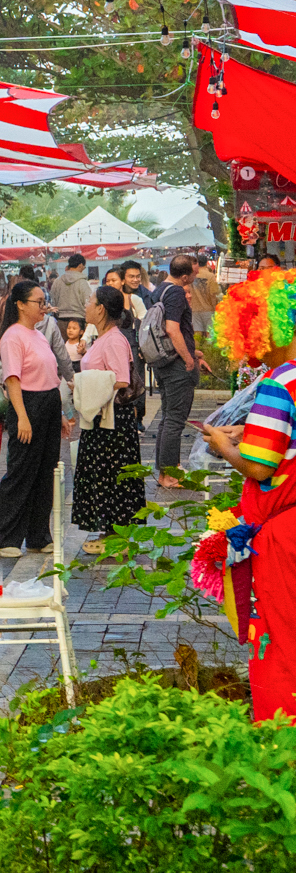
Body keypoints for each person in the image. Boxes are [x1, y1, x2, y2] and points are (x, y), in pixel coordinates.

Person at [196, 267, 296, 722]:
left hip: (283, 538)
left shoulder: (278, 384)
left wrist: (223, 445)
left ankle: (280, 746)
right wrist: (249, 433)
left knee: (279, 643)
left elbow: (260, 465)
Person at [71, 286, 145, 557]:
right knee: (102, 476)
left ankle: (116, 533)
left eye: (90, 302)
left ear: (101, 308)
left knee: (111, 475)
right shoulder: (102, 337)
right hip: (101, 418)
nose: (87, 306)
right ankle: (109, 530)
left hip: (112, 421)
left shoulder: (114, 339)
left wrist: (82, 382)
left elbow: (121, 379)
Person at [0, 280, 64, 557]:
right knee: (21, 472)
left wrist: (62, 415)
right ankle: (5, 538)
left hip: (48, 402)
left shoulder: (39, 334)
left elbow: (50, 374)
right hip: (27, 403)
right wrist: (21, 417)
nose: (43, 307)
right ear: (21, 304)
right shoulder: (13, 336)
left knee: (46, 472)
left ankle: (38, 535)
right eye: (38, 302)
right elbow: (12, 379)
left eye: (44, 301)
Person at [153, 254, 202, 489]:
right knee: (174, 420)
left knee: (167, 418)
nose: (194, 279)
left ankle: (165, 473)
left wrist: (195, 352)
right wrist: (188, 359)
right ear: (184, 276)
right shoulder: (176, 292)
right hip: (176, 366)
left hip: (163, 363)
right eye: (193, 275)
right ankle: (170, 474)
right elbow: (173, 329)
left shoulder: (159, 289)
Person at [54, 253, 92, 321]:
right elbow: (88, 302)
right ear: (80, 265)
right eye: (84, 267)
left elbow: (53, 300)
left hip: (61, 319)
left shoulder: (58, 282)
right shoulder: (82, 282)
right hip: (78, 321)